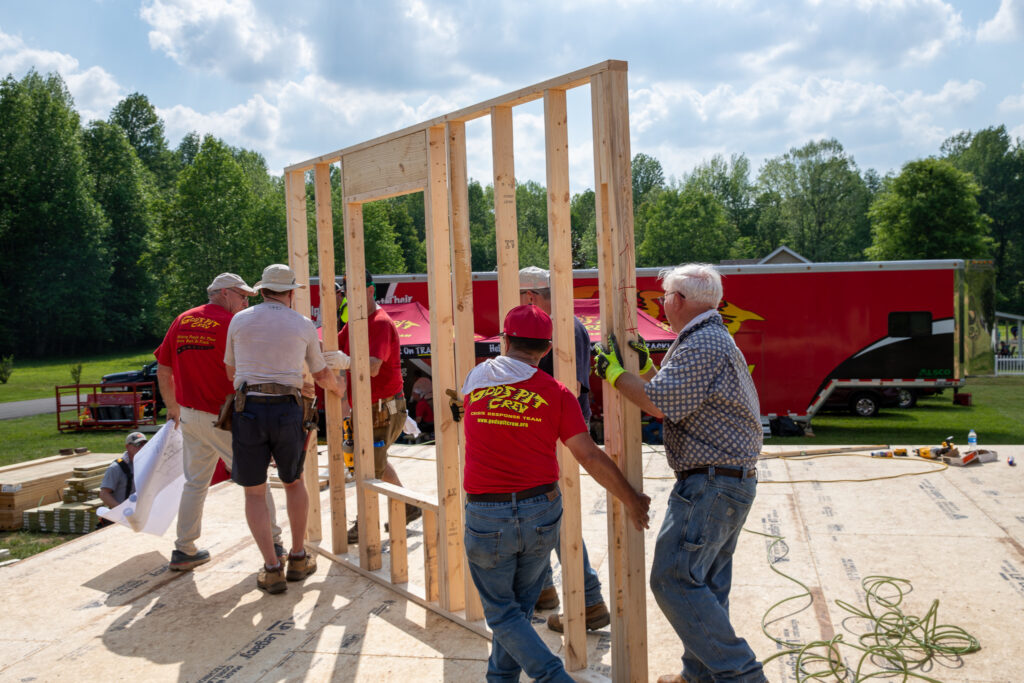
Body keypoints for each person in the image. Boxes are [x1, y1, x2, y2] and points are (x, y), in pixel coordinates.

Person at [594, 263, 767, 683]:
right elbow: (676, 395)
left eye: (666, 297)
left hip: (712, 482)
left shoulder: (703, 343)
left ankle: (744, 677)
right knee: (704, 585)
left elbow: (660, 405)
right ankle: (698, 676)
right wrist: (649, 367)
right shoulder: (708, 338)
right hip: (726, 481)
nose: (662, 304)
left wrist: (615, 374)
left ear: (681, 301)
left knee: (673, 580)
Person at [460, 304, 650, 683]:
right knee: (518, 610)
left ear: (505, 339)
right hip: (540, 510)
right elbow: (588, 455)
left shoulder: (477, 379)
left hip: (488, 513)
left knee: (502, 613)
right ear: (546, 350)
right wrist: (630, 496)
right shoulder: (557, 394)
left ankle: (551, 677)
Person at [224, 263, 346, 594]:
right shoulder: (302, 324)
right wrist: (339, 390)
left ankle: (271, 567)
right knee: (293, 482)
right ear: (291, 293)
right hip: (287, 410)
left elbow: (230, 371)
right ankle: (298, 556)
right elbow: (320, 375)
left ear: (262, 290)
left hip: (247, 407)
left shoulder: (239, 320)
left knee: (254, 491)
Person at [155, 272, 286, 572]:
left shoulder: (182, 320)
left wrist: (172, 407)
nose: (244, 303)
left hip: (189, 415)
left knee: (195, 483)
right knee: (256, 482)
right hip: (225, 417)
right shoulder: (232, 324)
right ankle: (275, 543)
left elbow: (163, 369)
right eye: (242, 297)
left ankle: (184, 549)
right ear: (225, 294)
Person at [518, 266, 608, 632]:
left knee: (551, 517)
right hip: (561, 431)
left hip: (553, 434)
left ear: (531, 298)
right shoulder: (571, 323)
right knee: (539, 514)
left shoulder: (554, 328)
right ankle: (544, 590)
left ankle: (588, 599)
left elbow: (547, 387)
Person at [338, 270, 421, 544]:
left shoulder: (379, 323)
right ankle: (409, 506)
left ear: (371, 291)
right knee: (374, 461)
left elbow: (373, 366)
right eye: (347, 290)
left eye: (356, 290)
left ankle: (365, 525)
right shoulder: (355, 324)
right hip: (371, 407)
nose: (350, 296)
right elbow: (336, 348)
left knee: (368, 467)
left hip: (383, 408)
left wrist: (344, 362)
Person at [98, 432, 147, 511]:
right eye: (138, 444)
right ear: (127, 447)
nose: (142, 447)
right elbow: (104, 494)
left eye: (144, 444)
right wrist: (121, 511)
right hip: (122, 517)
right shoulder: (116, 468)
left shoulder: (147, 464)